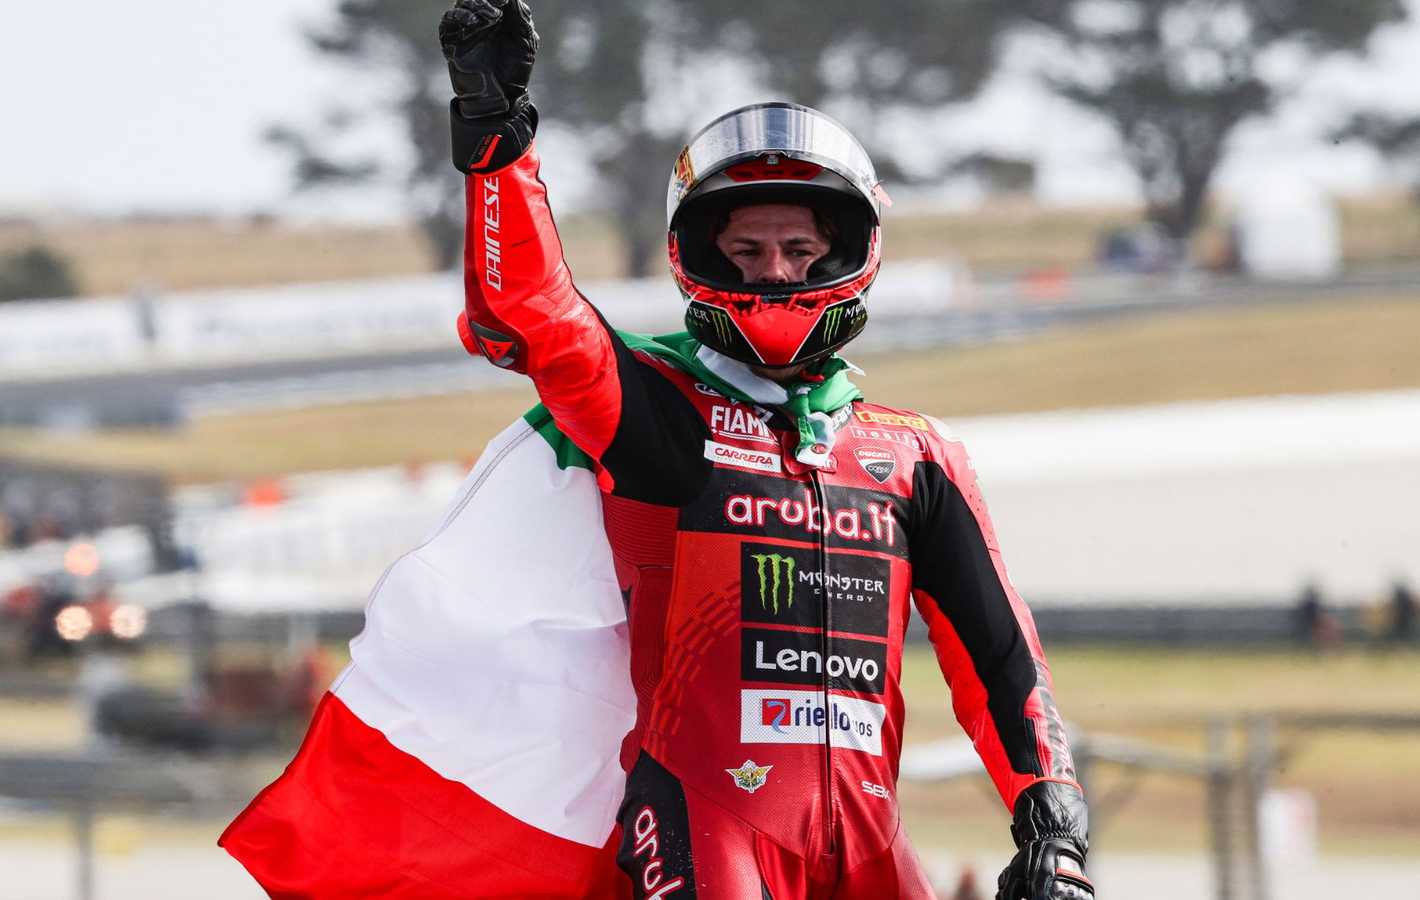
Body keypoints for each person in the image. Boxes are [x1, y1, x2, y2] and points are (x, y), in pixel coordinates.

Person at [437, 2, 1092, 898]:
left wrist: (1055, 824)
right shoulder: (655, 410)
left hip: (872, 849)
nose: (774, 271)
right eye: (745, 249)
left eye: (799, 248)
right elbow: (532, 315)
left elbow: (1002, 656)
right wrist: (495, 139)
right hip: (699, 829)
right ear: (698, 254)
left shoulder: (918, 457)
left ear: (847, 252)